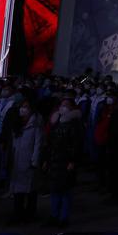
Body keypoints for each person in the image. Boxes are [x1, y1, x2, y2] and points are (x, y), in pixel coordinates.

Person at [46, 96, 82, 227]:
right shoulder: (57, 121)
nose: (63, 107)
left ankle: (63, 218)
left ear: (72, 107)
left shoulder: (75, 123)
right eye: (62, 104)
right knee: (55, 189)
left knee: (66, 191)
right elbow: (51, 141)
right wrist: (47, 159)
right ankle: (54, 216)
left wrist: (72, 160)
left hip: (66, 161)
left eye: (66, 105)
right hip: (55, 160)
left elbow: (76, 144)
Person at [8, 99, 43, 224]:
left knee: (30, 190)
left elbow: (38, 145)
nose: (23, 109)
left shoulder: (36, 125)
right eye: (22, 107)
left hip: (28, 161)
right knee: (18, 191)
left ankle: (30, 214)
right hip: (17, 161)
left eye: (26, 107)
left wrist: (34, 161)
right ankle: (18, 214)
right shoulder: (17, 124)